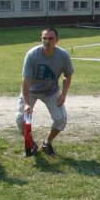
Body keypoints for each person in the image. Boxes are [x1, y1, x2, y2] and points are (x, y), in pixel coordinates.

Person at [15, 27, 74, 157]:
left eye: (50, 38)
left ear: (57, 40)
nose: (47, 41)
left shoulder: (63, 55)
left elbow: (68, 75)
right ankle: (31, 144)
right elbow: (26, 80)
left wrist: (63, 94)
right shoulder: (32, 54)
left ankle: (47, 143)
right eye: (44, 38)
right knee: (20, 120)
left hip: (51, 92)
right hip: (31, 91)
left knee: (61, 119)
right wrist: (26, 103)